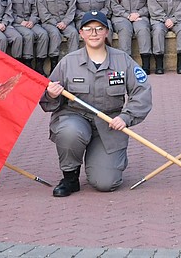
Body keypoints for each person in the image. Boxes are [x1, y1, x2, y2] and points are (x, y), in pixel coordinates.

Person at [42, 11, 152, 197]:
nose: (94, 33)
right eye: (88, 29)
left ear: (107, 32)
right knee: (71, 132)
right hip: (75, 117)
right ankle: (70, 177)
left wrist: (126, 117)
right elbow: (47, 101)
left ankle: (105, 158)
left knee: (105, 183)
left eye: (99, 29)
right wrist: (51, 95)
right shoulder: (68, 62)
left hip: (109, 124)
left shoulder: (122, 60)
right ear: (81, 33)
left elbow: (142, 92)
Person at [110, 0, 153, 71]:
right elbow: (114, 5)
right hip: (121, 17)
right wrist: (127, 15)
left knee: (143, 29)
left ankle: (146, 63)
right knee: (125, 29)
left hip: (140, 16)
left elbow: (150, 5)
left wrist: (138, 13)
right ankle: (126, 63)